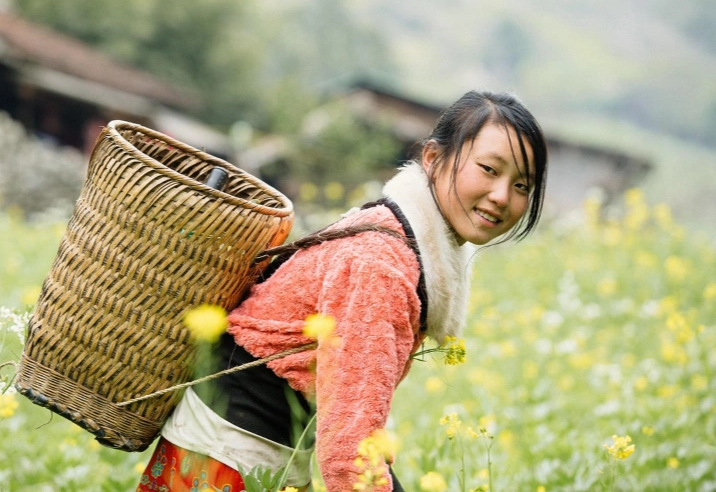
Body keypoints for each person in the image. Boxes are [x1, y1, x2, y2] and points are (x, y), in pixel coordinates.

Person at [136, 90, 548, 492]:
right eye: (490, 170)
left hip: (252, 455)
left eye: (522, 186)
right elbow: (350, 451)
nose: (501, 197)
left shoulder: (400, 239)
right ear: (433, 159)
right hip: (226, 460)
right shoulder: (380, 264)